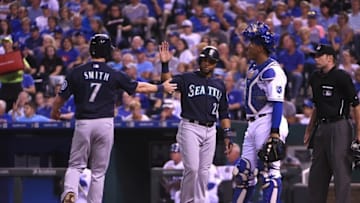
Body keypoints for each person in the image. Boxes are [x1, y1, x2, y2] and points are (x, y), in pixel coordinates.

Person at [51, 34, 176, 203]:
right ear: (106, 52)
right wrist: (160, 87)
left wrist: (55, 112)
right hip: (105, 123)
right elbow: (139, 87)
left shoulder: (77, 72)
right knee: (98, 172)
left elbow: (60, 98)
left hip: (83, 122)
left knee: (75, 165)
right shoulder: (113, 73)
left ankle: (70, 192)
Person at [159, 41, 232, 203]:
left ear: (215, 64)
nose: (207, 63)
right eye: (205, 60)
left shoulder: (219, 84)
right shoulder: (188, 78)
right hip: (190, 126)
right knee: (192, 168)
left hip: (211, 129)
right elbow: (168, 85)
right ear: (200, 60)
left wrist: (227, 135)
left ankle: (200, 201)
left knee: (204, 171)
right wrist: (165, 64)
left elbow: (224, 112)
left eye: (211, 61)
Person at [233, 21, 289, 203]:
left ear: (260, 46)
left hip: (269, 120)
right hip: (252, 122)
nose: (248, 47)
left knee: (269, 173)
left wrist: (274, 133)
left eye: (252, 43)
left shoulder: (272, 70)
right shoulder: (253, 67)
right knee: (243, 172)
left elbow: (277, 102)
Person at [303, 44, 360, 203]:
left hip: (340, 125)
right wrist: (309, 129)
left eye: (319, 56)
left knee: (341, 173)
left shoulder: (341, 77)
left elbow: (356, 105)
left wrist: (358, 134)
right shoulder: (314, 77)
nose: (316, 59)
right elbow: (316, 105)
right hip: (321, 126)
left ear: (330, 58)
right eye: (315, 56)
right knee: (317, 175)